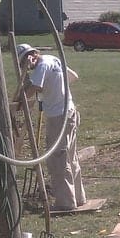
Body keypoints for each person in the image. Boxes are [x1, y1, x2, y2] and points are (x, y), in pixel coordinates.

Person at [14, 43, 87, 212]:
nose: (26, 67)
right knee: (71, 156)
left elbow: (34, 88)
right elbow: (73, 76)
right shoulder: (53, 59)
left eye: (23, 63)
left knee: (57, 159)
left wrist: (19, 99)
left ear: (30, 57)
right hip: (70, 111)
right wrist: (54, 87)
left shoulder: (41, 65)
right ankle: (79, 197)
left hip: (58, 116)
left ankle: (65, 202)